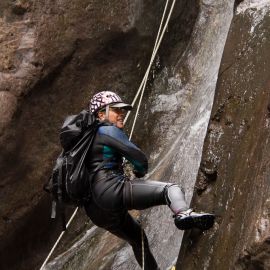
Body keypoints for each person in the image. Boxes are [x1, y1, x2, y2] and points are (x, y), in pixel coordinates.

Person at [84, 91, 215, 269]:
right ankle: (183, 213)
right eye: (116, 110)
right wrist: (139, 171)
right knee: (170, 189)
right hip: (110, 189)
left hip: (95, 211)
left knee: (139, 240)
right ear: (101, 114)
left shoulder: (85, 141)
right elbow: (139, 159)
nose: (122, 114)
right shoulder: (107, 130)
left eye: (122, 110)